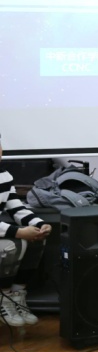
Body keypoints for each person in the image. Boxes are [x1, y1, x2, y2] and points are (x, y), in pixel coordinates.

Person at [0, 133, 52, 327]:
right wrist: (18, 232)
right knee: (14, 243)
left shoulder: (4, 175)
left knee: (37, 239)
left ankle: (17, 294)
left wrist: (39, 224)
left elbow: (16, 209)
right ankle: (3, 298)